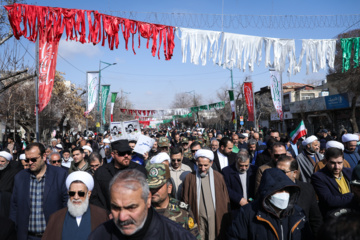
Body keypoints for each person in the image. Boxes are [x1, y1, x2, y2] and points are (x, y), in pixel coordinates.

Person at [88, 169, 196, 239]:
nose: (122, 217)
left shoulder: (177, 236)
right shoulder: (99, 235)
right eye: (116, 208)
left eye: (131, 207)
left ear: (148, 200)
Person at [227, 168, 313, 240]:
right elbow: (234, 237)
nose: (283, 194)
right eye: (279, 190)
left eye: (286, 190)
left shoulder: (298, 214)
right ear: (267, 192)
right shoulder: (248, 213)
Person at [10, 143, 68, 240]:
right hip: (27, 236)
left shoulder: (60, 175)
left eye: (33, 159)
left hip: (53, 235)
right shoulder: (20, 177)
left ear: (44, 156)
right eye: (27, 160)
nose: (30, 162)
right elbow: (14, 207)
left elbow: (66, 204)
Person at [42, 171, 108, 240]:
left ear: (88, 194)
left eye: (81, 193)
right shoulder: (56, 217)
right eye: (72, 193)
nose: (76, 197)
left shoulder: (101, 215)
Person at [182, 149, 231, 240]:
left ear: (211, 163)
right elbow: (185, 200)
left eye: (206, 165)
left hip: (215, 219)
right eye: (200, 165)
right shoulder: (190, 178)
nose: (203, 168)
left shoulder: (218, 177)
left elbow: (225, 200)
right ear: (196, 162)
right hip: (197, 218)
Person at [146, 163, 200, 239]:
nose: (154, 190)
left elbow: (194, 237)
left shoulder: (183, 211)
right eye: (150, 187)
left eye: (158, 186)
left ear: (169, 187)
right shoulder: (142, 211)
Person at [90, 140, 147, 211]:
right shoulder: (102, 172)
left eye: (129, 153)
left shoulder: (139, 171)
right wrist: (104, 214)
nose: (126, 156)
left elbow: (145, 195)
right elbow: (95, 197)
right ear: (113, 154)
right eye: (122, 153)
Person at [276, 156, 322, 237]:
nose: (278, 175)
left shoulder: (307, 189)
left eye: (283, 172)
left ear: (294, 173)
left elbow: (315, 218)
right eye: (276, 171)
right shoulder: (270, 189)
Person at [311, 147, 353, 217]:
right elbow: (330, 200)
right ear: (326, 161)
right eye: (333, 163)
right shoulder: (318, 177)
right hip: (334, 218)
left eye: (339, 163)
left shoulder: (350, 172)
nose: (337, 167)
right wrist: (353, 196)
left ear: (343, 161)